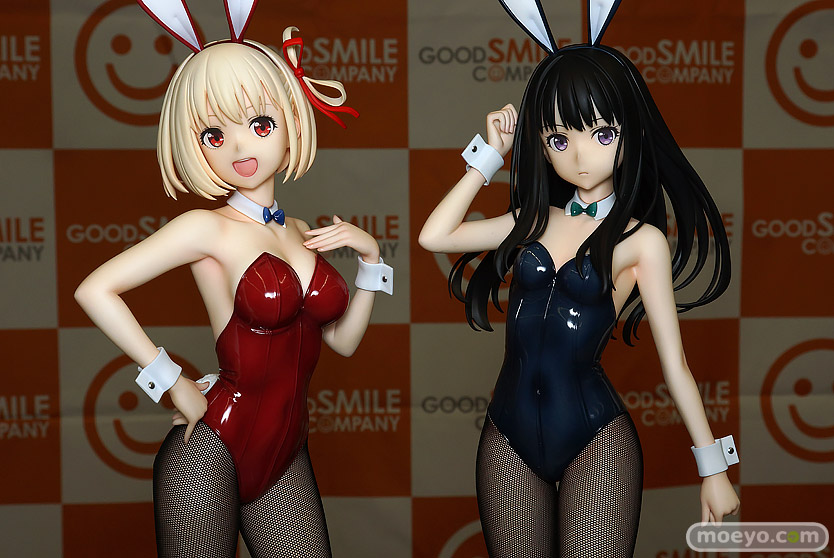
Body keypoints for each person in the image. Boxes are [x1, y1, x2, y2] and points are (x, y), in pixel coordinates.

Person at [74, 4, 393, 555]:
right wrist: (170, 381)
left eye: (259, 124)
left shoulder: (298, 230)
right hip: (210, 450)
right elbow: (94, 290)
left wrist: (371, 261)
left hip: (286, 453)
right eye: (214, 135)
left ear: (290, 119)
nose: (241, 148)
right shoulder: (206, 228)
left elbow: (342, 343)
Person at [418, 21, 740, 558]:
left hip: (597, 442)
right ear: (543, 146)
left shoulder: (642, 242)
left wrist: (714, 468)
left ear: (629, 134)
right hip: (507, 437)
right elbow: (435, 236)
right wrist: (490, 156)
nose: (580, 156)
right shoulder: (531, 220)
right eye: (559, 139)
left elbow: (676, 365)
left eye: (602, 134)